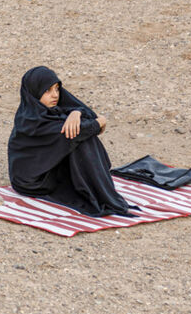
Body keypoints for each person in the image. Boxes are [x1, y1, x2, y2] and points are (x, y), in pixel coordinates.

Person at [7, 66, 134, 217]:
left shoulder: (44, 111)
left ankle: (97, 188)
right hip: (32, 182)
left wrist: (76, 112)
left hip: (45, 169)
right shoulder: (33, 121)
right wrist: (101, 121)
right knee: (80, 137)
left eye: (57, 89)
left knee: (78, 132)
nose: (55, 95)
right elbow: (86, 127)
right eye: (47, 90)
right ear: (34, 92)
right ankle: (99, 191)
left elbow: (88, 116)